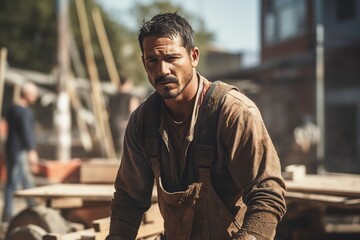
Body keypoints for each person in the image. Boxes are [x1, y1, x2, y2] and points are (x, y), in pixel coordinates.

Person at [107, 12, 286, 240]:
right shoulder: (143, 122)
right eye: (152, 60)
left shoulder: (233, 113)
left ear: (193, 56)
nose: (162, 70)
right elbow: (128, 201)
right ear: (144, 63)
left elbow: (267, 194)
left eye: (172, 58)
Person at [2, 82, 39, 222]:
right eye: (34, 94)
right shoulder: (24, 112)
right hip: (20, 151)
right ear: (27, 94)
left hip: (11, 149)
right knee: (15, 182)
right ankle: (9, 214)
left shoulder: (12, 108)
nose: (35, 98)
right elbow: (26, 132)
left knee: (21, 181)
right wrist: (31, 150)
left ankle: (32, 208)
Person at [108, 75, 140, 158]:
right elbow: (133, 110)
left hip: (112, 123)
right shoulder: (131, 97)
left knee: (116, 146)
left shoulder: (112, 97)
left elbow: (108, 111)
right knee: (125, 147)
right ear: (127, 83)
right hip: (124, 123)